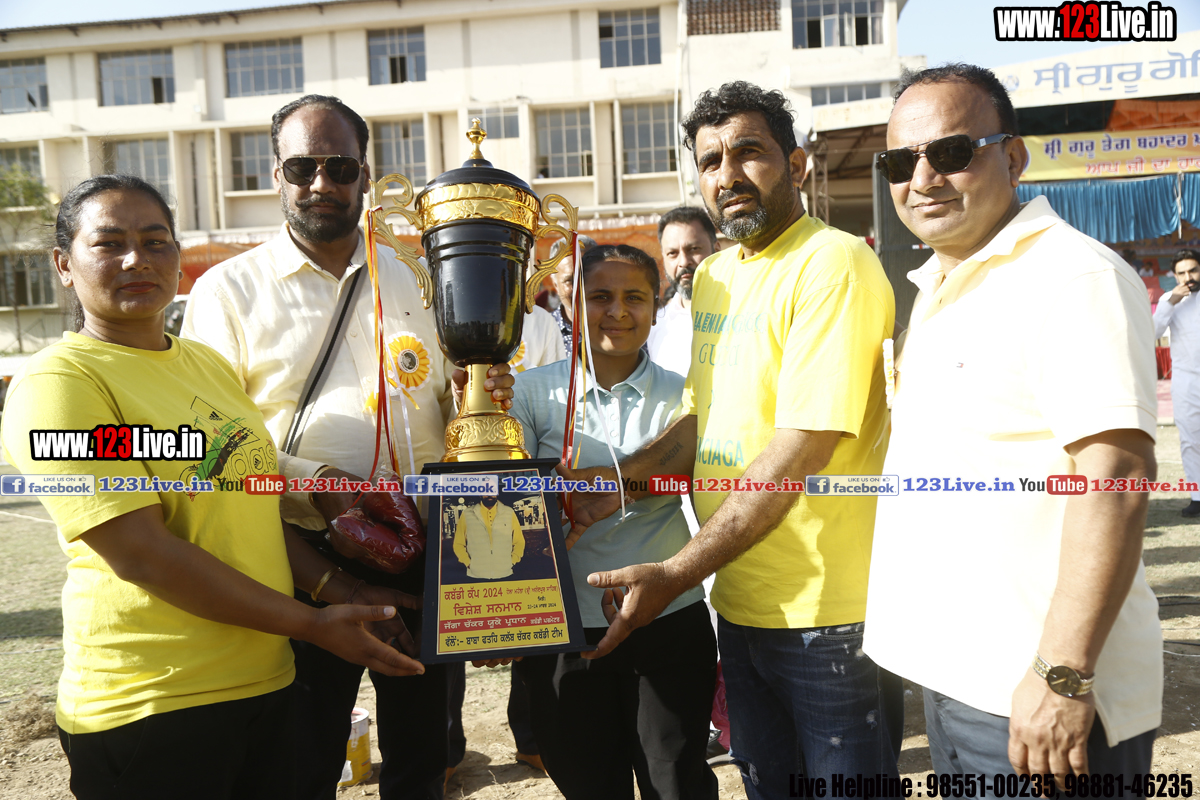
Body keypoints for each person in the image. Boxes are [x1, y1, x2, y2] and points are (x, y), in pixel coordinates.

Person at [0, 175, 420, 800]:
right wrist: (312, 625)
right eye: (109, 244)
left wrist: (342, 579)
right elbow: (144, 554)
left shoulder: (203, 365)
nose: (136, 259)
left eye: (155, 241)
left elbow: (236, 493)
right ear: (64, 264)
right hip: (153, 703)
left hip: (267, 686)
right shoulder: (59, 384)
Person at [561, 82, 898, 798]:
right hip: (740, 602)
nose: (728, 175)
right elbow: (702, 423)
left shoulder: (833, 262)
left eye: (749, 153)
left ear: (796, 165)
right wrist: (615, 486)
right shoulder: (715, 274)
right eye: (710, 160)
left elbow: (799, 449)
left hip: (827, 616)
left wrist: (677, 572)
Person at [181, 94, 515, 800]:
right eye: (302, 167)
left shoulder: (421, 275)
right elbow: (212, 444)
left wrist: (477, 400)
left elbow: (447, 405)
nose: (321, 184)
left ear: (366, 174)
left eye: (339, 167)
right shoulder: (227, 292)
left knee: (425, 761)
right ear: (276, 174)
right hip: (300, 557)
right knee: (300, 765)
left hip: (428, 553)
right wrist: (318, 482)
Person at [863, 64, 1161, 785]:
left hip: (1040, 694)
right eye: (901, 162)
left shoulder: (1071, 276)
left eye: (952, 152)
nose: (923, 178)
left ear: (1014, 157)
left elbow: (1115, 478)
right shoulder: (941, 284)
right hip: (959, 679)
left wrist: (1062, 675)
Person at [510, 243, 717, 800]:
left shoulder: (687, 393)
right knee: (588, 784)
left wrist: (615, 483)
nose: (618, 312)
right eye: (600, 296)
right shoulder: (527, 392)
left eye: (635, 298)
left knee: (676, 783)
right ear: (573, 304)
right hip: (561, 625)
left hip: (669, 615)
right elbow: (504, 504)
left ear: (657, 304)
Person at [645, 206, 719, 377]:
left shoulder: (744, 309)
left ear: (717, 250)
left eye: (694, 249)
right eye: (672, 253)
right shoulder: (655, 326)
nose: (684, 262)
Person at [1153, 249, 1200, 517]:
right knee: (1190, 440)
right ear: (1174, 275)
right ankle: (1197, 497)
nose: (1187, 277)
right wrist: (1171, 301)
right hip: (1185, 381)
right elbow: (1152, 332)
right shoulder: (1168, 300)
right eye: (1181, 273)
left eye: (1193, 270)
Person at [451, 495, 525, 579]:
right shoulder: (467, 514)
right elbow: (458, 544)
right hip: (476, 575)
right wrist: (469, 563)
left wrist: (512, 561)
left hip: (505, 573)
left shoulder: (509, 513)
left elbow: (519, 541)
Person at [548, 234, 597, 353]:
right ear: (556, 285)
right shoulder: (542, 331)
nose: (582, 286)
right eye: (571, 280)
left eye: (588, 277)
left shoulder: (621, 327)